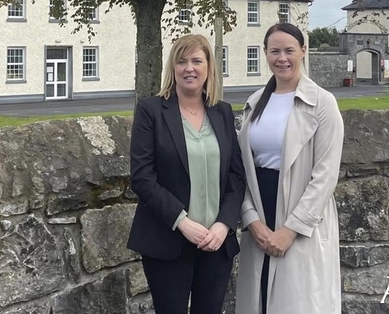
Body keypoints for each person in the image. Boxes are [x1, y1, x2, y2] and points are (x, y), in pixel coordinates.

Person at [127, 34, 246, 314]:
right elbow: (143, 177)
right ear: (173, 68)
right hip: (168, 241)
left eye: (196, 60)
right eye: (181, 61)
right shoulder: (151, 111)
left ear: (208, 67)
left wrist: (224, 224)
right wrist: (182, 222)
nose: (189, 68)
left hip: (216, 243)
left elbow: (236, 176)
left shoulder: (223, 112)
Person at [235, 22, 344, 314]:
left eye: (289, 50)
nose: (281, 58)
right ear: (265, 54)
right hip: (261, 208)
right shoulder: (255, 102)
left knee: (298, 302)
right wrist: (251, 220)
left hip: (300, 214)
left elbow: (325, 175)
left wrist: (291, 229)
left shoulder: (322, 103)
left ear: (303, 51)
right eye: (274, 51)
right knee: (258, 300)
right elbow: (241, 168)